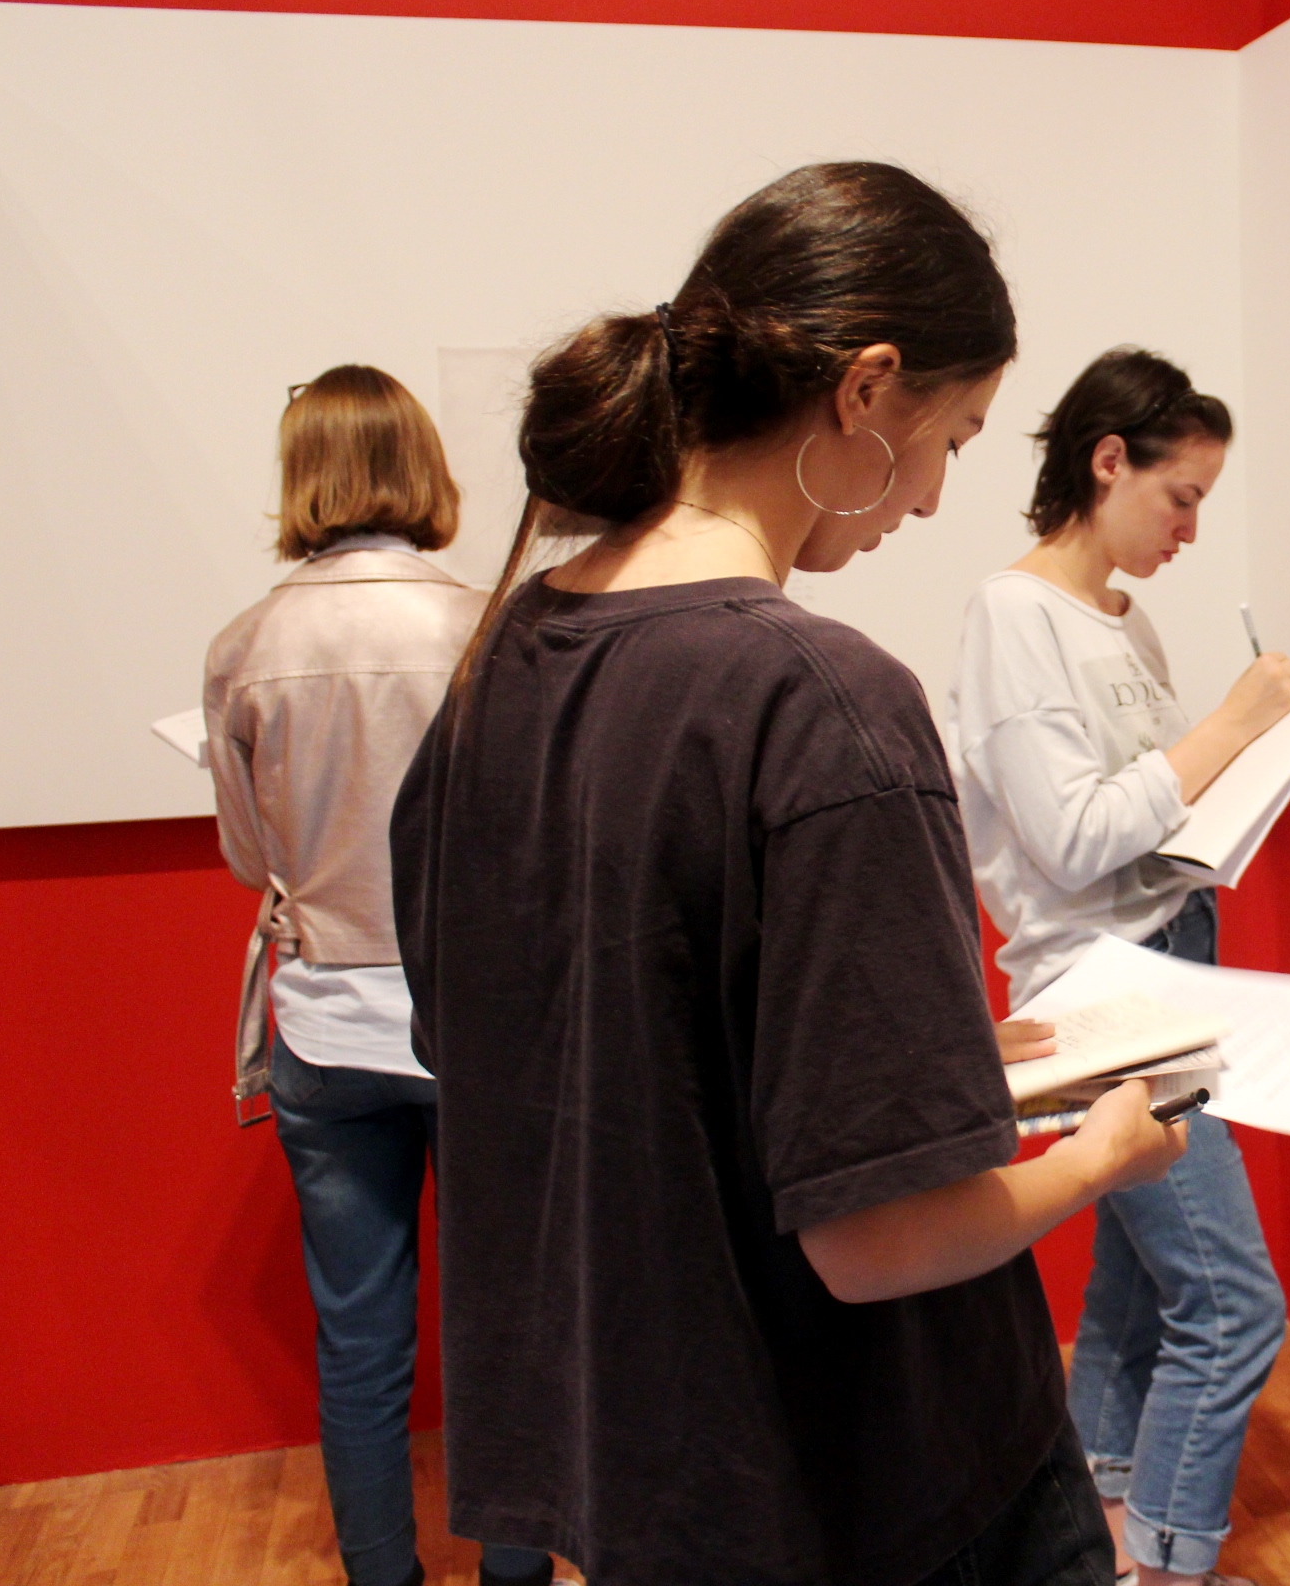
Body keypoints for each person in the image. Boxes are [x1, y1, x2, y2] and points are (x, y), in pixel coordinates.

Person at [389, 163, 1186, 1586]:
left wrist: (929, 1074)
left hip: (652, 1471)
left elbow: (551, 1058)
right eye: (953, 440)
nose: (931, 501)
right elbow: (877, 1242)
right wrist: (1100, 1158)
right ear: (866, 391)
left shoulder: (499, 665)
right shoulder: (818, 700)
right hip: (871, 1485)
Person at [948, 348, 1290, 1586]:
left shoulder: (1121, 618)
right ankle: (1168, 1564)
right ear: (1108, 462)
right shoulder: (1013, 616)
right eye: (1180, 497)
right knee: (1233, 1308)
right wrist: (1231, 727)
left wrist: (1239, 771)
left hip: (1167, 955)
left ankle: (1095, 1536)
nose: (1189, 530)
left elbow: (1150, 810)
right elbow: (1074, 836)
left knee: (1139, 1290)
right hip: (1101, 989)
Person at [204, 365, 553, 1586]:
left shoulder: (245, 646)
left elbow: (246, 855)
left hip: (326, 1029)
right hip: (479, 1025)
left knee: (359, 1340)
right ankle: (517, 1574)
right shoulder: (495, 626)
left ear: (301, 477)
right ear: (423, 468)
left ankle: (383, 1577)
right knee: (507, 1326)